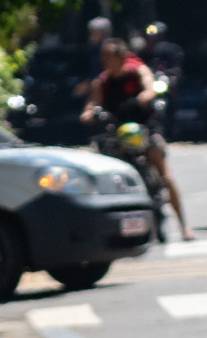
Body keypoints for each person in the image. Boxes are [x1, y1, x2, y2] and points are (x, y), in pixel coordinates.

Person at [82, 39, 194, 240]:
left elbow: (150, 87)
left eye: (109, 57)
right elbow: (93, 103)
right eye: (103, 57)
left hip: (144, 128)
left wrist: (144, 96)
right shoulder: (102, 81)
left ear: (121, 57)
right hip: (117, 132)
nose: (105, 61)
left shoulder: (137, 71)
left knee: (163, 170)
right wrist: (89, 113)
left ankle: (184, 226)